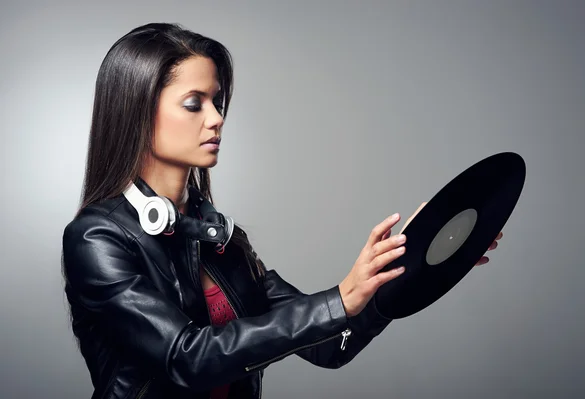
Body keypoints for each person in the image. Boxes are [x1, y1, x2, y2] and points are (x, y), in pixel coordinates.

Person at [61, 22, 501, 399]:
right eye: (194, 103)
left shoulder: (218, 238)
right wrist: (338, 300)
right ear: (138, 112)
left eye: (218, 102)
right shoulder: (97, 238)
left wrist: (402, 268)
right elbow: (188, 358)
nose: (215, 118)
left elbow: (330, 348)